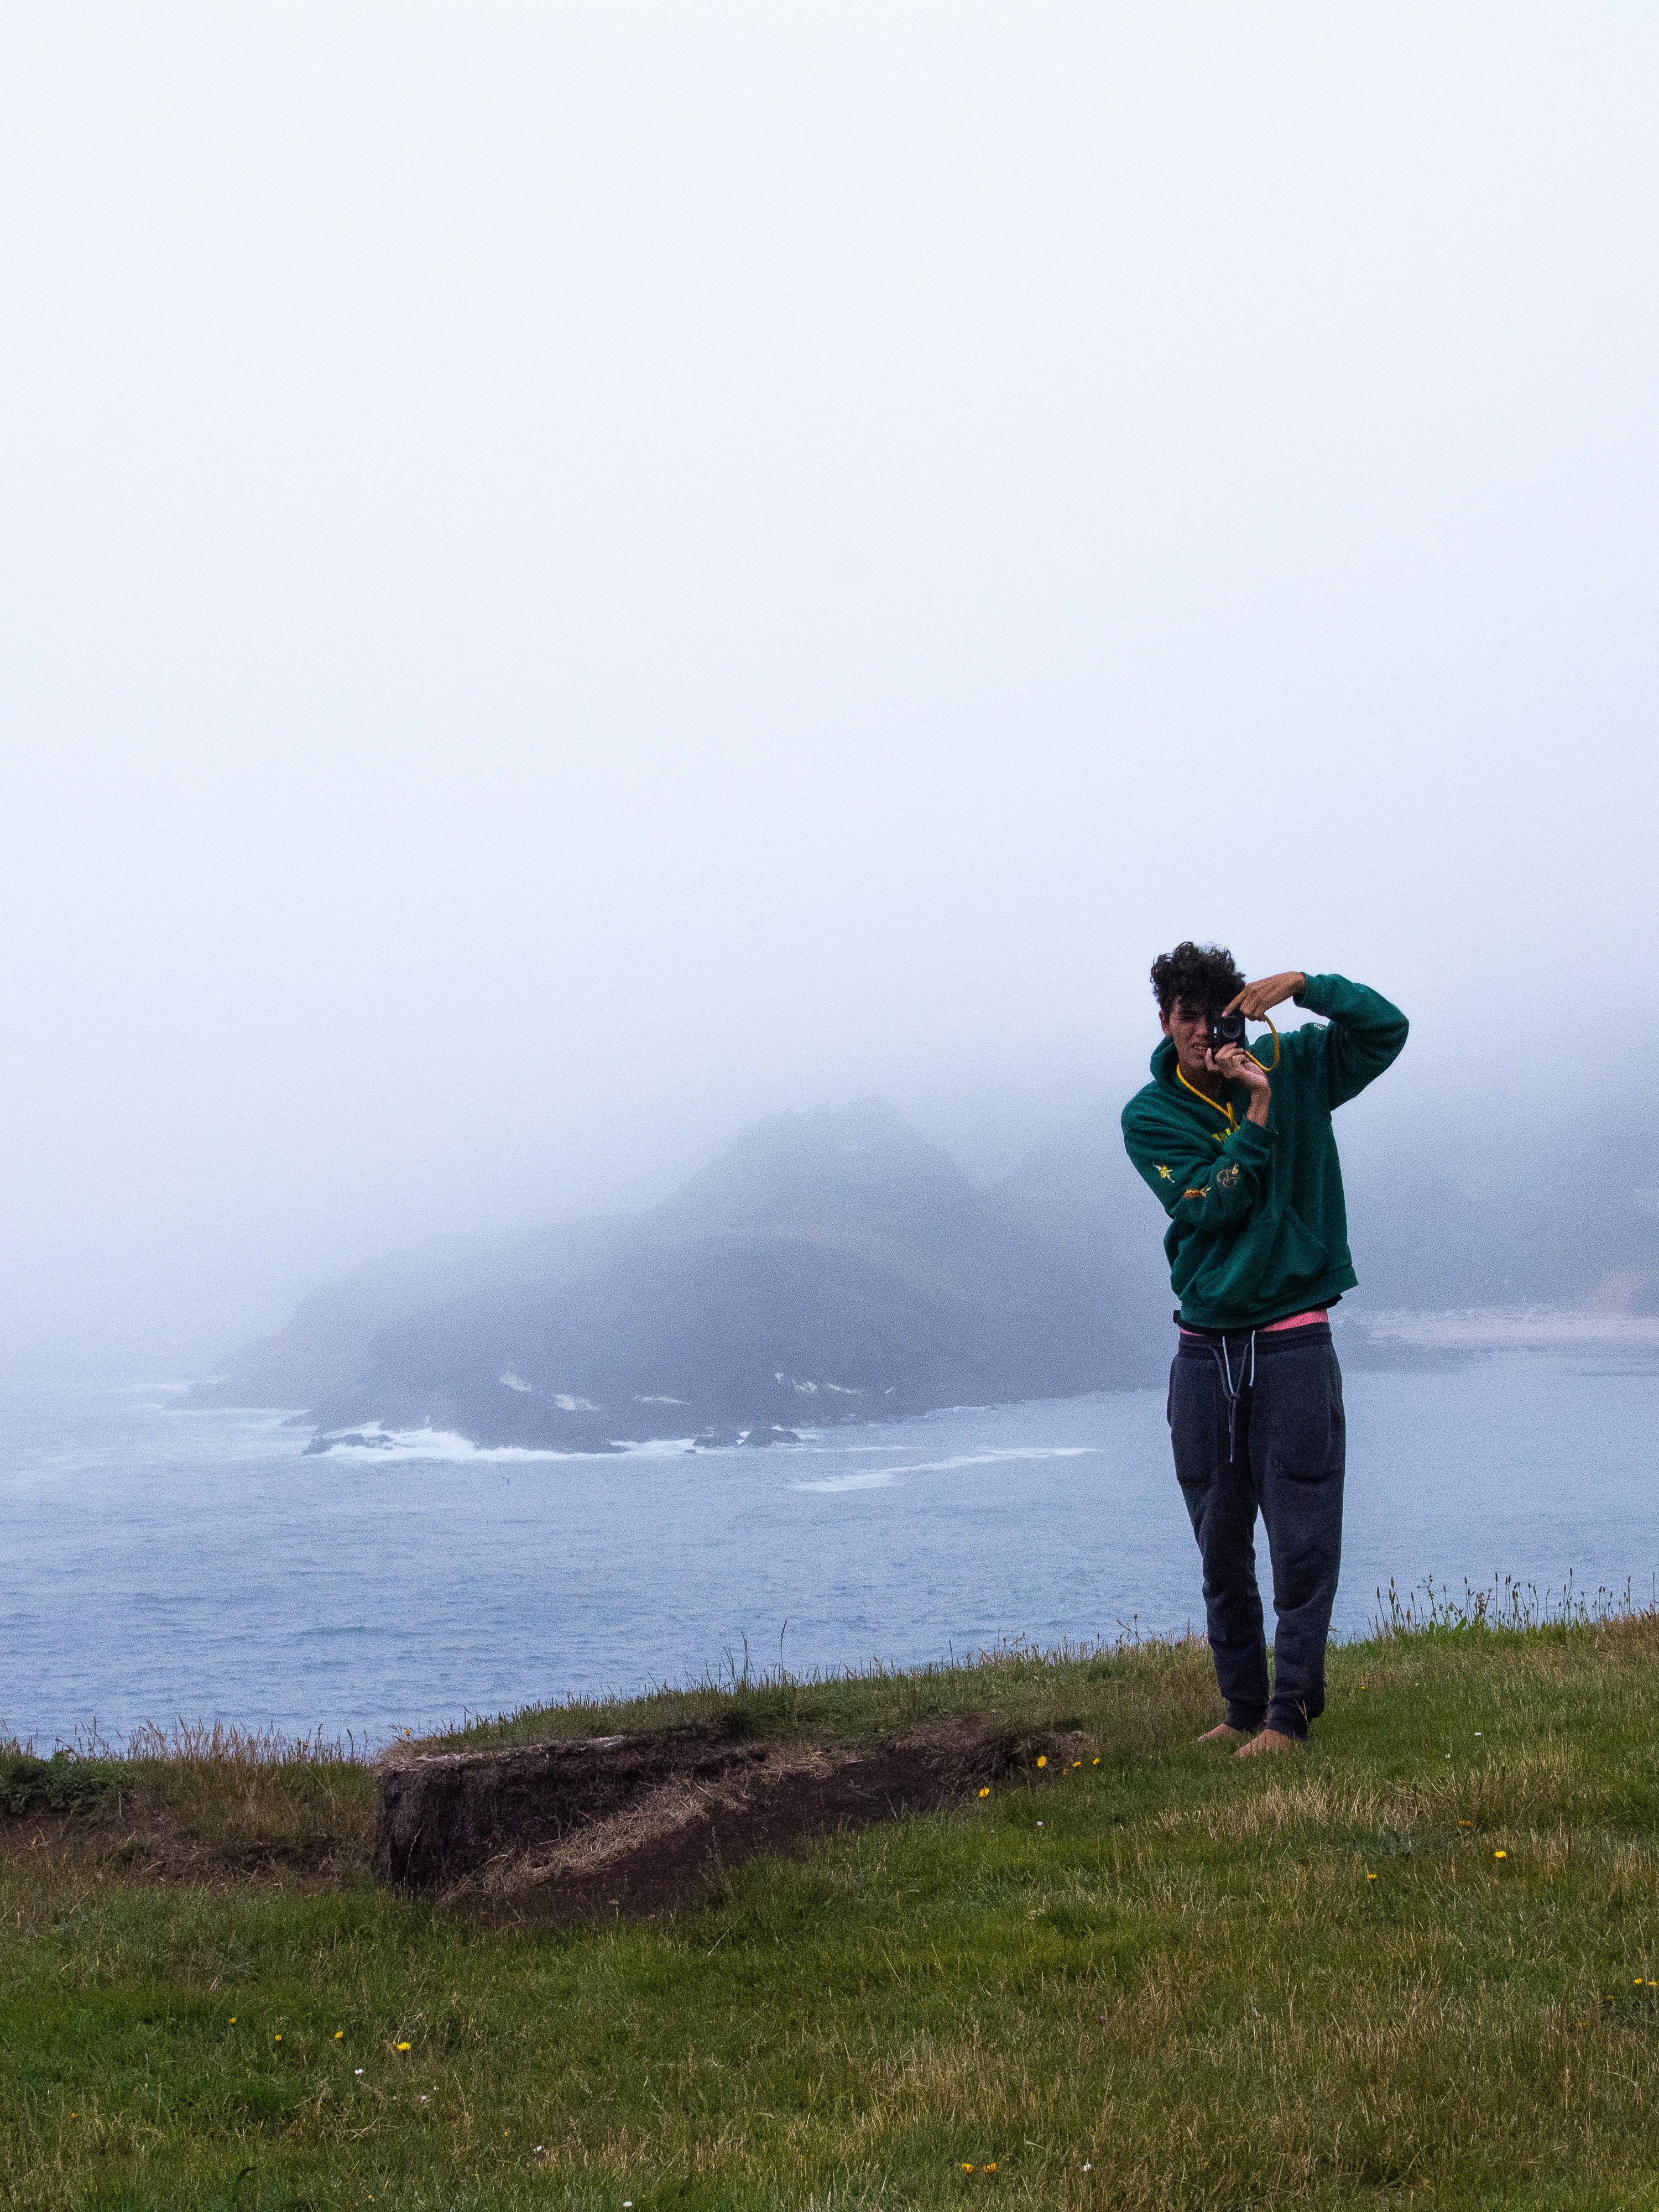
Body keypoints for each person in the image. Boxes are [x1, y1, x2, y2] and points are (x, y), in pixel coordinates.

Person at [1120, 945, 1408, 1757]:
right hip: (1205, 1348)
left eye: (1213, 1013)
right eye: (1182, 1014)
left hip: (1292, 1339)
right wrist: (1256, 1109)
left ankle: (1289, 1717)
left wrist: (1312, 988)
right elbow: (1212, 1208)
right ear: (1166, 1018)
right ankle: (1242, 1706)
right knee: (1219, 1538)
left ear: (1238, 1011)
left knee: (1304, 1536)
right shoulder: (1150, 1115)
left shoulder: (1299, 1060)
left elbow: (1387, 1030)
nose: (1198, 1031)